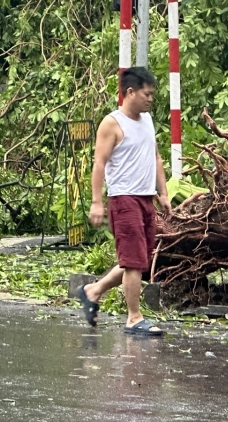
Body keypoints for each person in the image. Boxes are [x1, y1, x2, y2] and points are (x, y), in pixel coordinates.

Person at [75, 67, 172, 335]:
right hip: (123, 199)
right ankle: (134, 318)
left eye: (152, 94)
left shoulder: (148, 120)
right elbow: (99, 163)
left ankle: (93, 291)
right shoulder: (112, 123)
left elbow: (156, 158)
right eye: (147, 94)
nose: (151, 99)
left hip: (145, 200)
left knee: (138, 260)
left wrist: (162, 193)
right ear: (130, 92)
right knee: (132, 262)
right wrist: (96, 203)